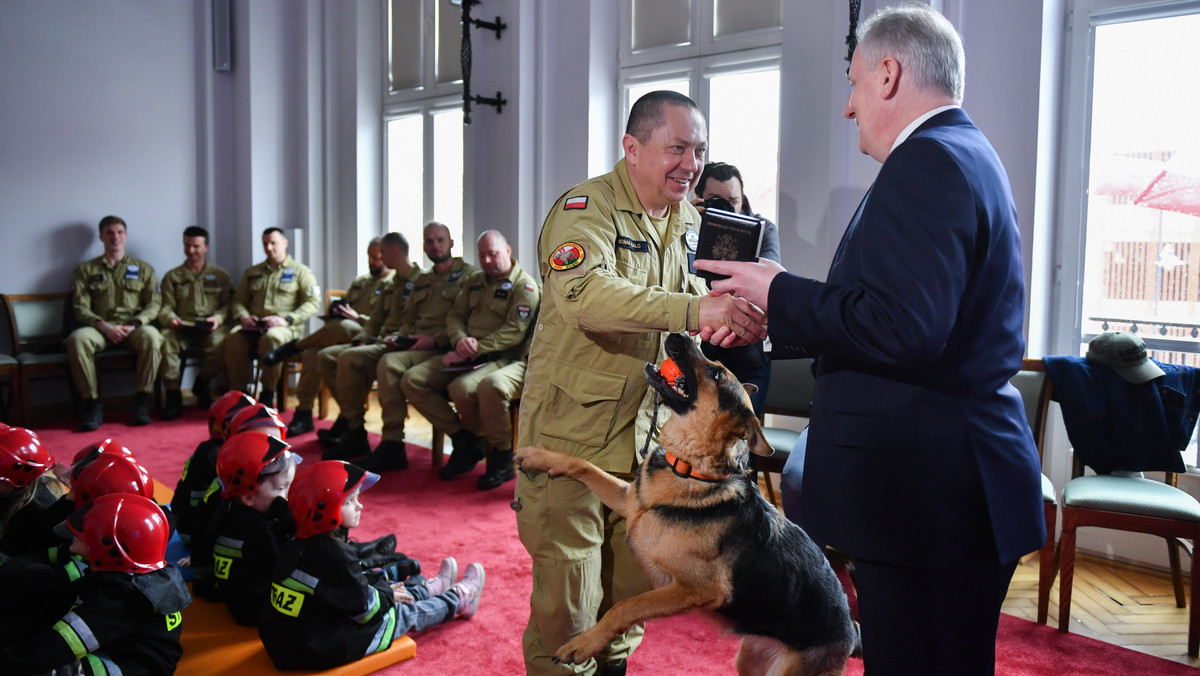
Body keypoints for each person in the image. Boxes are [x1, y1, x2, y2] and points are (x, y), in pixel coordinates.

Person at [694, 6, 1046, 673]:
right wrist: (778, 314)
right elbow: (900, 315)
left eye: (853, 84)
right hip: (943, 488)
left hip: (928, 498)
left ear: (888, 74)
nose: (850, 108)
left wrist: (781, 288)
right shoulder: (959, 152)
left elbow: (905, 329)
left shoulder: (930, 162)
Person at [514, 90, 767, 675]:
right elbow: (587, 298)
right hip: (569, 437)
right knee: (569, 607)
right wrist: (693, 311)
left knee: (628, 596)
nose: (691, 164)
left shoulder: (690, 222)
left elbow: (696, 304)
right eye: (676, 148)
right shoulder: (585, 210)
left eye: (699, 150)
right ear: (632, 148)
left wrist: (729, 319)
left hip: (648, 445)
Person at [258, 460, 485, 671]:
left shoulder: (298, 542)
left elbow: (341, 594)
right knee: (403, 613)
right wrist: (386, 593)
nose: (360, 506)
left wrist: (383, 591)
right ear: (322, 511)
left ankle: (427, 590)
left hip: (287, 644)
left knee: (386, 593)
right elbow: (367, 613)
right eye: (349, 501)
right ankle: (460, 599)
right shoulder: (335, 556)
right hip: (319, 649)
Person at [332, 222, 476, 471]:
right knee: (349, 358)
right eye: (429, 241)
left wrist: (436, 339)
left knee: (389, 364)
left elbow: (470, 321)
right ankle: (354, 431)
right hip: (411, 343)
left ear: (452, 243)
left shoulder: (470, 277)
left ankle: (393, 443)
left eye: (440, 240)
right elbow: (409, 319)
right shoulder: (424, 280)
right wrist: (398, 336)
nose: (435, 245)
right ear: (423, 246)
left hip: (441, 346)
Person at [402, 230, 540, 483]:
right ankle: (465, 439)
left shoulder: (525, 286)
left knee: (463, 388)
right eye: (482, 255)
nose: (487, 261)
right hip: (464, 352)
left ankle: (499, 454)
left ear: (508, 251)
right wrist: (459, 340)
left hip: (500, 357)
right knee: (412, 379)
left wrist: (474, 348)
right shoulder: (474, 280)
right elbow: (454, 316)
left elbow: (513, 332)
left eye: (493, 254)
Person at [0, 493, 191, 675]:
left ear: (110, 548)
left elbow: (63, 643)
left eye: (86, 533)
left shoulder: (123, 598)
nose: (75, 534)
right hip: (119, 646)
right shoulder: (126, 572)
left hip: (125, 668)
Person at [262, 238, 396, 437]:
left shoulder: (393, 283)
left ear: (386, 256)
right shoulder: (362, 281)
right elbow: (342, 302)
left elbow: (388, 321)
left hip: (368, 335)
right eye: (369, 256)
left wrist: (358, 318)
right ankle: (304, 412)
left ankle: (294, 346)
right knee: (313, 354)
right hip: (343, 335)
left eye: (376, 258)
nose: (372, 261)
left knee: (344, 325)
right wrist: (336, 309)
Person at [314, 231, 421, 449]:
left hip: (402, 345)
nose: (377, 259)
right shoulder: (392, 284)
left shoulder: (421, 282)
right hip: (379, 340)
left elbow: (417, 320)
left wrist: (398, 338)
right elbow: (376, 320)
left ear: (392, 252)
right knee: (325, 356)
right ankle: (352, 422)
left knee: (348, 358)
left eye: (381, 253)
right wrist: (363, 339)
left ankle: (361, 432)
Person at [693, 161, 781, 417]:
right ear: (700, 198)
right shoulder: (688, 224)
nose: (725, 207)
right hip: (702, 352)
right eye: (714, 200)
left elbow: (763, 284)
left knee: (742, 439)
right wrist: (688, 223)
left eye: (732, 201)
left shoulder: (762, 229)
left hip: (748, 355)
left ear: (742, 199)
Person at [65, 215, 164, 431]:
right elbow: (80, 307)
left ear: (126, 236)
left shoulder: (143, 269)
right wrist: (104, 327)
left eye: (119, 232)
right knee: (76, 340)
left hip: (133, 328)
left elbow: (154, 304)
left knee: (153, 337)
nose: (115, 237)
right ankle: (92, 403)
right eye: (109, 232)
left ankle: (141, 399)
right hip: (100, 329)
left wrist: (136, 324)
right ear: (101, 237)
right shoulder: (87, 270)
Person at [210, 433, 300, 625]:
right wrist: (292, 527)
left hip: (237, 597)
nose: (288, 495)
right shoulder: (259, 529)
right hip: (256, 610)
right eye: (281, 488)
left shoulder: (227, 510)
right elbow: (286, 567)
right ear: (248, 497)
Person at [225, 227, 320, 406]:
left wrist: (287, 319)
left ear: (285, 243)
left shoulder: (300, 271)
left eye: (273, 243)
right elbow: (238, 300)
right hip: (254, 326)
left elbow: (312, 302)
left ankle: (268, 392)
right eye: (265, 244)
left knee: (271, 339)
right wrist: (243, 316)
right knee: (233, 338)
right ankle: (241, 394)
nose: (269, 248)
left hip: (284, 328)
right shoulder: (253, 272)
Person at [158, 225, 235, 419]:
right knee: (165, 340)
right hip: (182, 327)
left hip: (209, 327)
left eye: (196, 246)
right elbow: (164, 306)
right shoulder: (173, 276)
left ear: (206, 247)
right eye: (187, 245)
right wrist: (171, 319)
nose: (191, 250)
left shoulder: (220, 275)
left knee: (223, 341)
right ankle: (174, 395)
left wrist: (217, 318)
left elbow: (228, 304)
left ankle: (202, 384)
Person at [170, 390, 256, 544]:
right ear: (228, 426)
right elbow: (204, 509)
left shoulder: (221, 451)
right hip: (193, 529)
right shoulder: (212, 456)